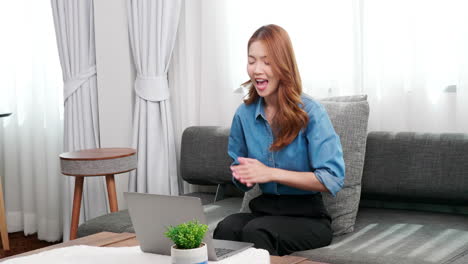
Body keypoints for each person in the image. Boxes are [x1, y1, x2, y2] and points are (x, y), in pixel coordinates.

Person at [213, 24, 345, 256]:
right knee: (227, 229)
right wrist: (243, 175)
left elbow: (332, 178)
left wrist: (270, 173)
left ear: (283, 65)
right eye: (252, 60)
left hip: (309, 217)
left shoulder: (311, 112)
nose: (257, 69)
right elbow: (240, 170)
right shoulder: (244, 115)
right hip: (266, 210)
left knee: (257, 231)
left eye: (267, 61)